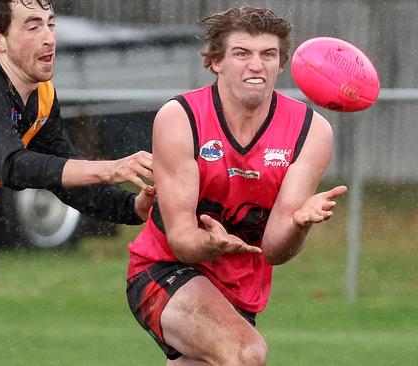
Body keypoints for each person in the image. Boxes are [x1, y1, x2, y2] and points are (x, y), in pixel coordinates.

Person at [126, 6, 347, 365]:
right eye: (242, 53)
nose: (256, 65)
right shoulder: (181, 118)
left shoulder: (311, 131)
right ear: (216, 62)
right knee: (246, 352)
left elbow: (274, 250)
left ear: (281, 64)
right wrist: (211, 244)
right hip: (163, 270)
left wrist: (299, 224)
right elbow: (181, 240)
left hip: (238, 291)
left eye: (268, 55)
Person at [0, 0, 155, 227]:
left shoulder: (42, 97)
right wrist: (113, 168)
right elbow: (13, 166)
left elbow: (68, 182)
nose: (50, 38)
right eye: (34, 27)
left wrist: (132, 206)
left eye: (51, 24)